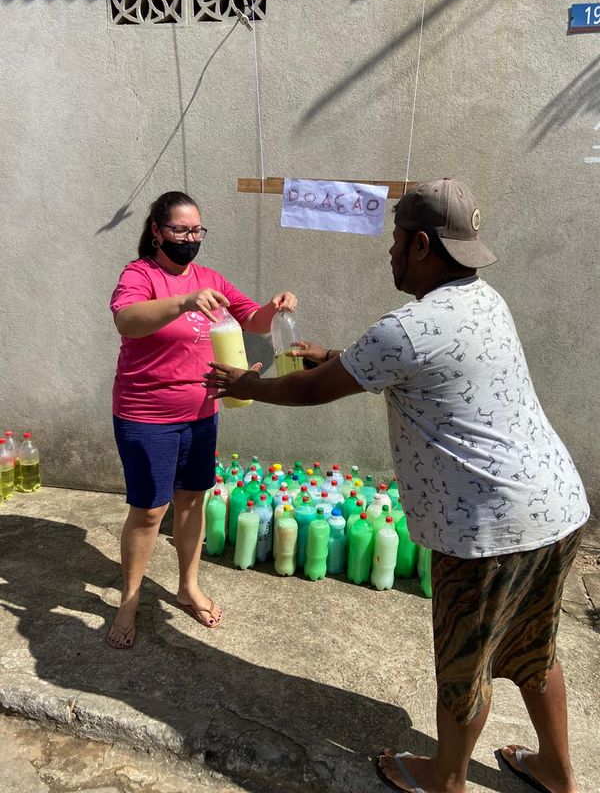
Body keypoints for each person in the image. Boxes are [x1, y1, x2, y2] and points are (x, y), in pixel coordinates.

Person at [203, 179, 588, 793]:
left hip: (488, 527)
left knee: (465, 667)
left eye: (395, 240)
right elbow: (406, 365)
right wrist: (333, 353)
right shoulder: (484, 299)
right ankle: (559, 775)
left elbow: (313, 389)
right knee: (534, 650)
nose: (389, 253)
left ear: (421, 246)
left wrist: (247, 386)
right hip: (556, 507)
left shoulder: (406, 327)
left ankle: (445, 778)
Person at [108, 190, 296, 649]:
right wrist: (184, 302)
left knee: (192, 501)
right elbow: (127, 320)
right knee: (150, 510)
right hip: (146, 414)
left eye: (196, 231)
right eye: (180, 230)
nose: (190, 239)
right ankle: (130, 598)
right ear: (156, 231)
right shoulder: (141, 274)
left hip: (201, 412)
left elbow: (251, 319)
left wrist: (275, 307)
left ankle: (187, 584)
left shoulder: (210, 277)